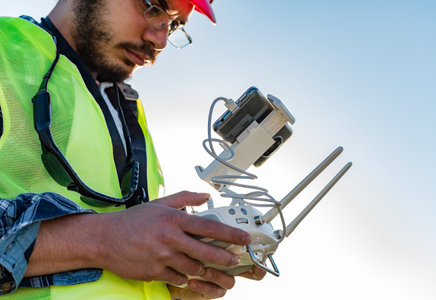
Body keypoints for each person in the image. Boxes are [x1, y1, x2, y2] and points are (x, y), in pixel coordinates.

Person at [0, 0, 265, 299]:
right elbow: (112, 239)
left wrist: (173, 278)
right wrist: (101, 240)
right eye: (153, 7)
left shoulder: (130, 111)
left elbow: (122, 252)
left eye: (174, 25)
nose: (160, 40)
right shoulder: (5, 51)